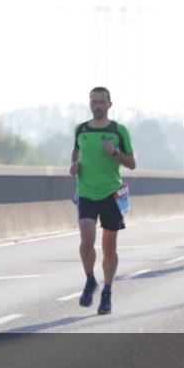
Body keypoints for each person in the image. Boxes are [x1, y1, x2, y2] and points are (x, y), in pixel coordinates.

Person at [70, 87, 136, 315]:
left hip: (111, 193)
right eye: (94, 101)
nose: (97, 105)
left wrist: (115, 151)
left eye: (101, 102)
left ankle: (107, 292)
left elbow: (131, 163)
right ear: (90, 103)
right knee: (87, 240)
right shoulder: (81, 129)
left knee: (109, 247)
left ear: (109, 104)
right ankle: (90, 280)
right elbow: (76, 151)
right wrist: (74, 166)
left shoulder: (119, 130)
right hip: (86, 191)